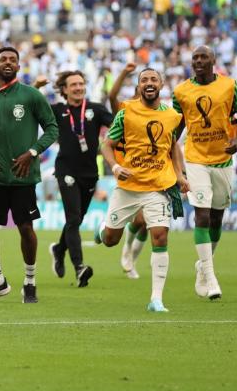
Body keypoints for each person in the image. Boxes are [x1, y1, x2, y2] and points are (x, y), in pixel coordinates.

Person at [96, 68, 189, 312]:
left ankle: (156, 299)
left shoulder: (171, 115)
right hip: (128, 187)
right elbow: (108, 145)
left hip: (158, 186)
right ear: (138, 86)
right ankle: (103, 231)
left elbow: (172, 148)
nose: (149, 83)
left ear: (161, 84)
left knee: (160, 235)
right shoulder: (126, 113)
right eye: (144, 80)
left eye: (153, 80)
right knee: (110, 240)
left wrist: (180, 175)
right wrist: (115, 167)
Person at [0, 46, 58, 304]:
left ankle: (30, 282)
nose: (8, 62)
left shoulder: (32, 96)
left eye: (12, 60)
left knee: (26, 227)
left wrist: (32, 152)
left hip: (23, 176)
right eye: (3, 59)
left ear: (19, 66)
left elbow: (52, 129)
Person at [172, 45, 237, 300]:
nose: (198, 61)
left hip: (223, 161)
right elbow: (176, 129)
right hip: (195, 159)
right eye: (195, 57)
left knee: (216, 220)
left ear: (213, 61)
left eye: (204, 57)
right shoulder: (181, 91)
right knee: (202, 217)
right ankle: (211, 276)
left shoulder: (230, 86)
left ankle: (202, 267)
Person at [43, 70, 114, 287]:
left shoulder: (96, 109)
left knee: (77, 219)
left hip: (90, 173)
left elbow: (117, 125)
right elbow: (31, 109)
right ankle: (80, 267)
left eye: (81, 83)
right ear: (64, 89)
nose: (78, 87)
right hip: (66, 171)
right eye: (73, 84)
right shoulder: (56, 110)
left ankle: (58, 249)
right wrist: (36, 87)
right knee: (73, 218)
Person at [108, 62, 149, 279]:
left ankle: (130, 258)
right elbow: (112, 96)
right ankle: (125, 250)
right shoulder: (125, 110)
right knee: (139, 221)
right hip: (128, 173)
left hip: (153, 172)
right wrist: (124, 72)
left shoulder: (158, 113)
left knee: (149, 224)